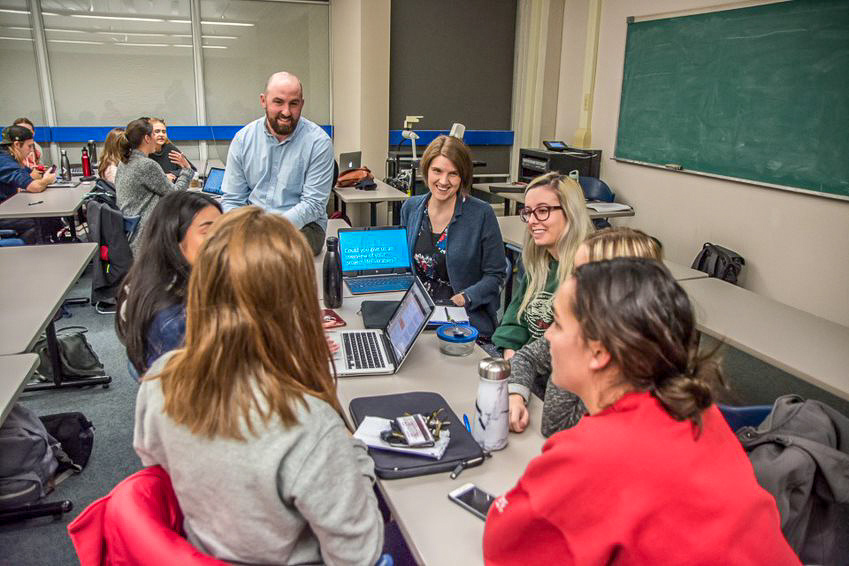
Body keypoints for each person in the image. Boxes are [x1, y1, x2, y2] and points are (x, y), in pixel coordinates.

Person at [483, 259, 800, 565]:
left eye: (558, 325)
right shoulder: (697, 410)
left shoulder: (595, 451)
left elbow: (504, 539)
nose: (548, 336)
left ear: (598, 352)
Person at [133, 206, 384, 565]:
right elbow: (359, 555)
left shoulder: (160, 378)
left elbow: (154, 465)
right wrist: (353, 450)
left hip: (202, 545)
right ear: (295, 301)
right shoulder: (308, 425)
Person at [508, 227, 663, 436]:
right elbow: (527, 356)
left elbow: (556, 426)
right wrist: (516, 394)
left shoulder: (624, 373)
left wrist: (566, 360)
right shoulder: (583, 325)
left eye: (580, 275)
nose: (569, 282)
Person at [399, 135, 506, 337]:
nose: (443, 181)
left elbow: (496, 275)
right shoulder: (410, 208)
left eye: (453, 174)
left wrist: (465, 298)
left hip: (464, 318)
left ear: (463, 177)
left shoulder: (481, 213)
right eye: (437, 171)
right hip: (419, 315)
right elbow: (405, 266)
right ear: (426, 170)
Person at [220, 71, 334, 256]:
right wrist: (245, 229)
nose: (286, 112)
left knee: (271, 253)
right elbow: (233, 199)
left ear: (302, 104)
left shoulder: (318, 142)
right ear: (263, 101)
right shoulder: (243, 140)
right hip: (252, 225)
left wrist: (269, 230)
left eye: (294, 103)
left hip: (303, 227)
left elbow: (313, 205)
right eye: (278, 102)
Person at [116, 191, 222, 377]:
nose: (221, 239)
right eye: (208, 231)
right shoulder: (175, 317)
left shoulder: (148, 275)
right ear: (174, 237)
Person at [491, 172, 593, 358]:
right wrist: (512, 361)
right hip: (522, 369)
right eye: (528, 212)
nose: (531, 221)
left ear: (570, 212)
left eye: (543, 210)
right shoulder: (541, 265)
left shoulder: (589, 273)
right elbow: (513, 324)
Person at [115, 117, 193, 254]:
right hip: (145, 234)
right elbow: (175, 194)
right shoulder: (146, 164)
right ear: (147, 138)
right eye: (154, 134)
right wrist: (187, 170)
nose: (158, 137)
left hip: (132, 231)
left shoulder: (125, 161)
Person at [0, 125, 58, 244]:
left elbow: (33, 175)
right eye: (29, 146)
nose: (31, 150)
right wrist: (46, 180)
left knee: (52, 218)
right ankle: (38, 254)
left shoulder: (11, 157)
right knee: (39, 221)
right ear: (16, 144)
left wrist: (41, 177)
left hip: (9, 208)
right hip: (3, 213)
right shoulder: (4, 161)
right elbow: (35, 186)